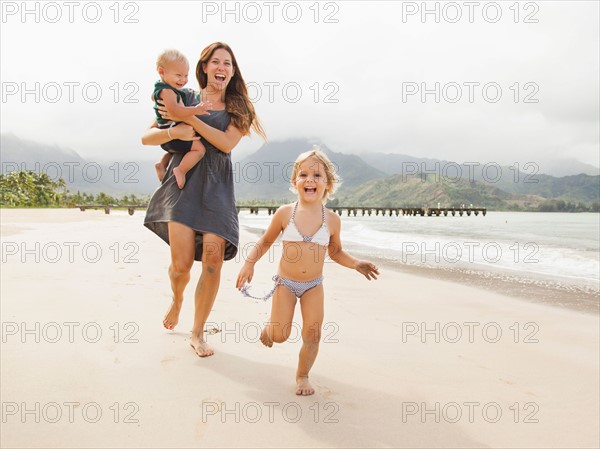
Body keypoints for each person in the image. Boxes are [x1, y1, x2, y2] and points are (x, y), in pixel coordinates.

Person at [142, 42, 266, 357]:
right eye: (216, 62)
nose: (222, 67)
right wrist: (175, 132)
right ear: (205, 68)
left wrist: (191, 121)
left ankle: (197, 332)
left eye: (228, 63)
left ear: (233, 71)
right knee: (181, 266)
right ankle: (177, 298)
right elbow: (146, 137)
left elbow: (225, 143)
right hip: (183, 185)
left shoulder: (240, 109)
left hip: (218, 188)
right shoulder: (182, 97)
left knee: (212, 261)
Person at [235, 148, 380, 395]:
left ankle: (302, 376)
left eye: (317, 175)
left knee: (313, 334)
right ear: (295, 182)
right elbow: (265, 242)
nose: (310, 179)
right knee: (280, 336)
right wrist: (250, 263)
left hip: (314, 285)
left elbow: (335, 252)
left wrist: (355, 263)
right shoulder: (285, 213)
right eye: (303, 175)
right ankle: (270, 329)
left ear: (328, 184)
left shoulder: (332, 220)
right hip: (286, 284)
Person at [152, 49, 212, 189]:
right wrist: (196, 110)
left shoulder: (165, 89)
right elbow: (176, 112)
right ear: (162, 72)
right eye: (178, 75)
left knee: (179, 149)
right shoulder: (167, 91)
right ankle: (181, 170)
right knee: (199, 150)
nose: (183, 80)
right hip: (169, 131)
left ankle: (162, 163)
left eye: (186, 75)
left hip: (168, 133)